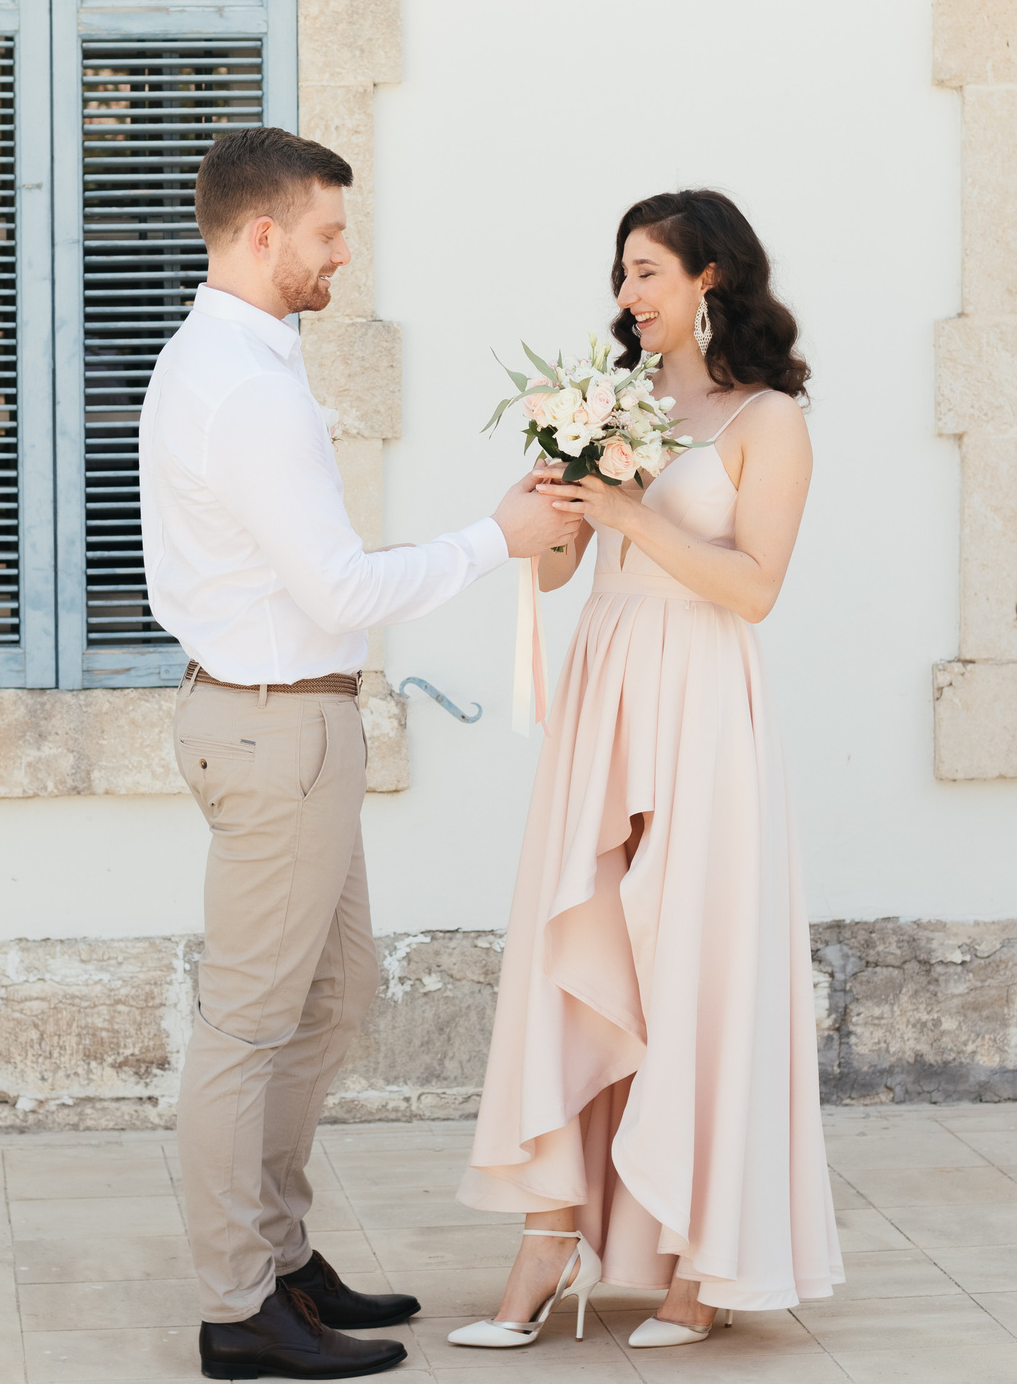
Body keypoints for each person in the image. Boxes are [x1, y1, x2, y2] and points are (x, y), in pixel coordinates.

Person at [139, 127, 565, 1382]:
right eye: (328, 234)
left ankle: (279, 1260)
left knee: (332, 1003)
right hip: (276, 724)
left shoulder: (242, 363)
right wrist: (497, 537)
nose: (342, 256)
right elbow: (333, 587)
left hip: (292, 724)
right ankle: (238, 1308)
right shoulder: (244, 385)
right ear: (262, 235)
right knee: (251, 1027)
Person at [446, 189, 843, 1352]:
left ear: (710, 277)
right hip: (607, 680)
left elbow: (755, 587)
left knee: (692, 956)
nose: (626, 297)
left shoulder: (769, 421)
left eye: (646, 273)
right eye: (621, 275)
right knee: (586, 945)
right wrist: (554, 505)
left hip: (706, 696)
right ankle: (548, 1235)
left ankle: (693, 1264)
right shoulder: (610, 401)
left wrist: (634, 508)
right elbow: (566, 575)